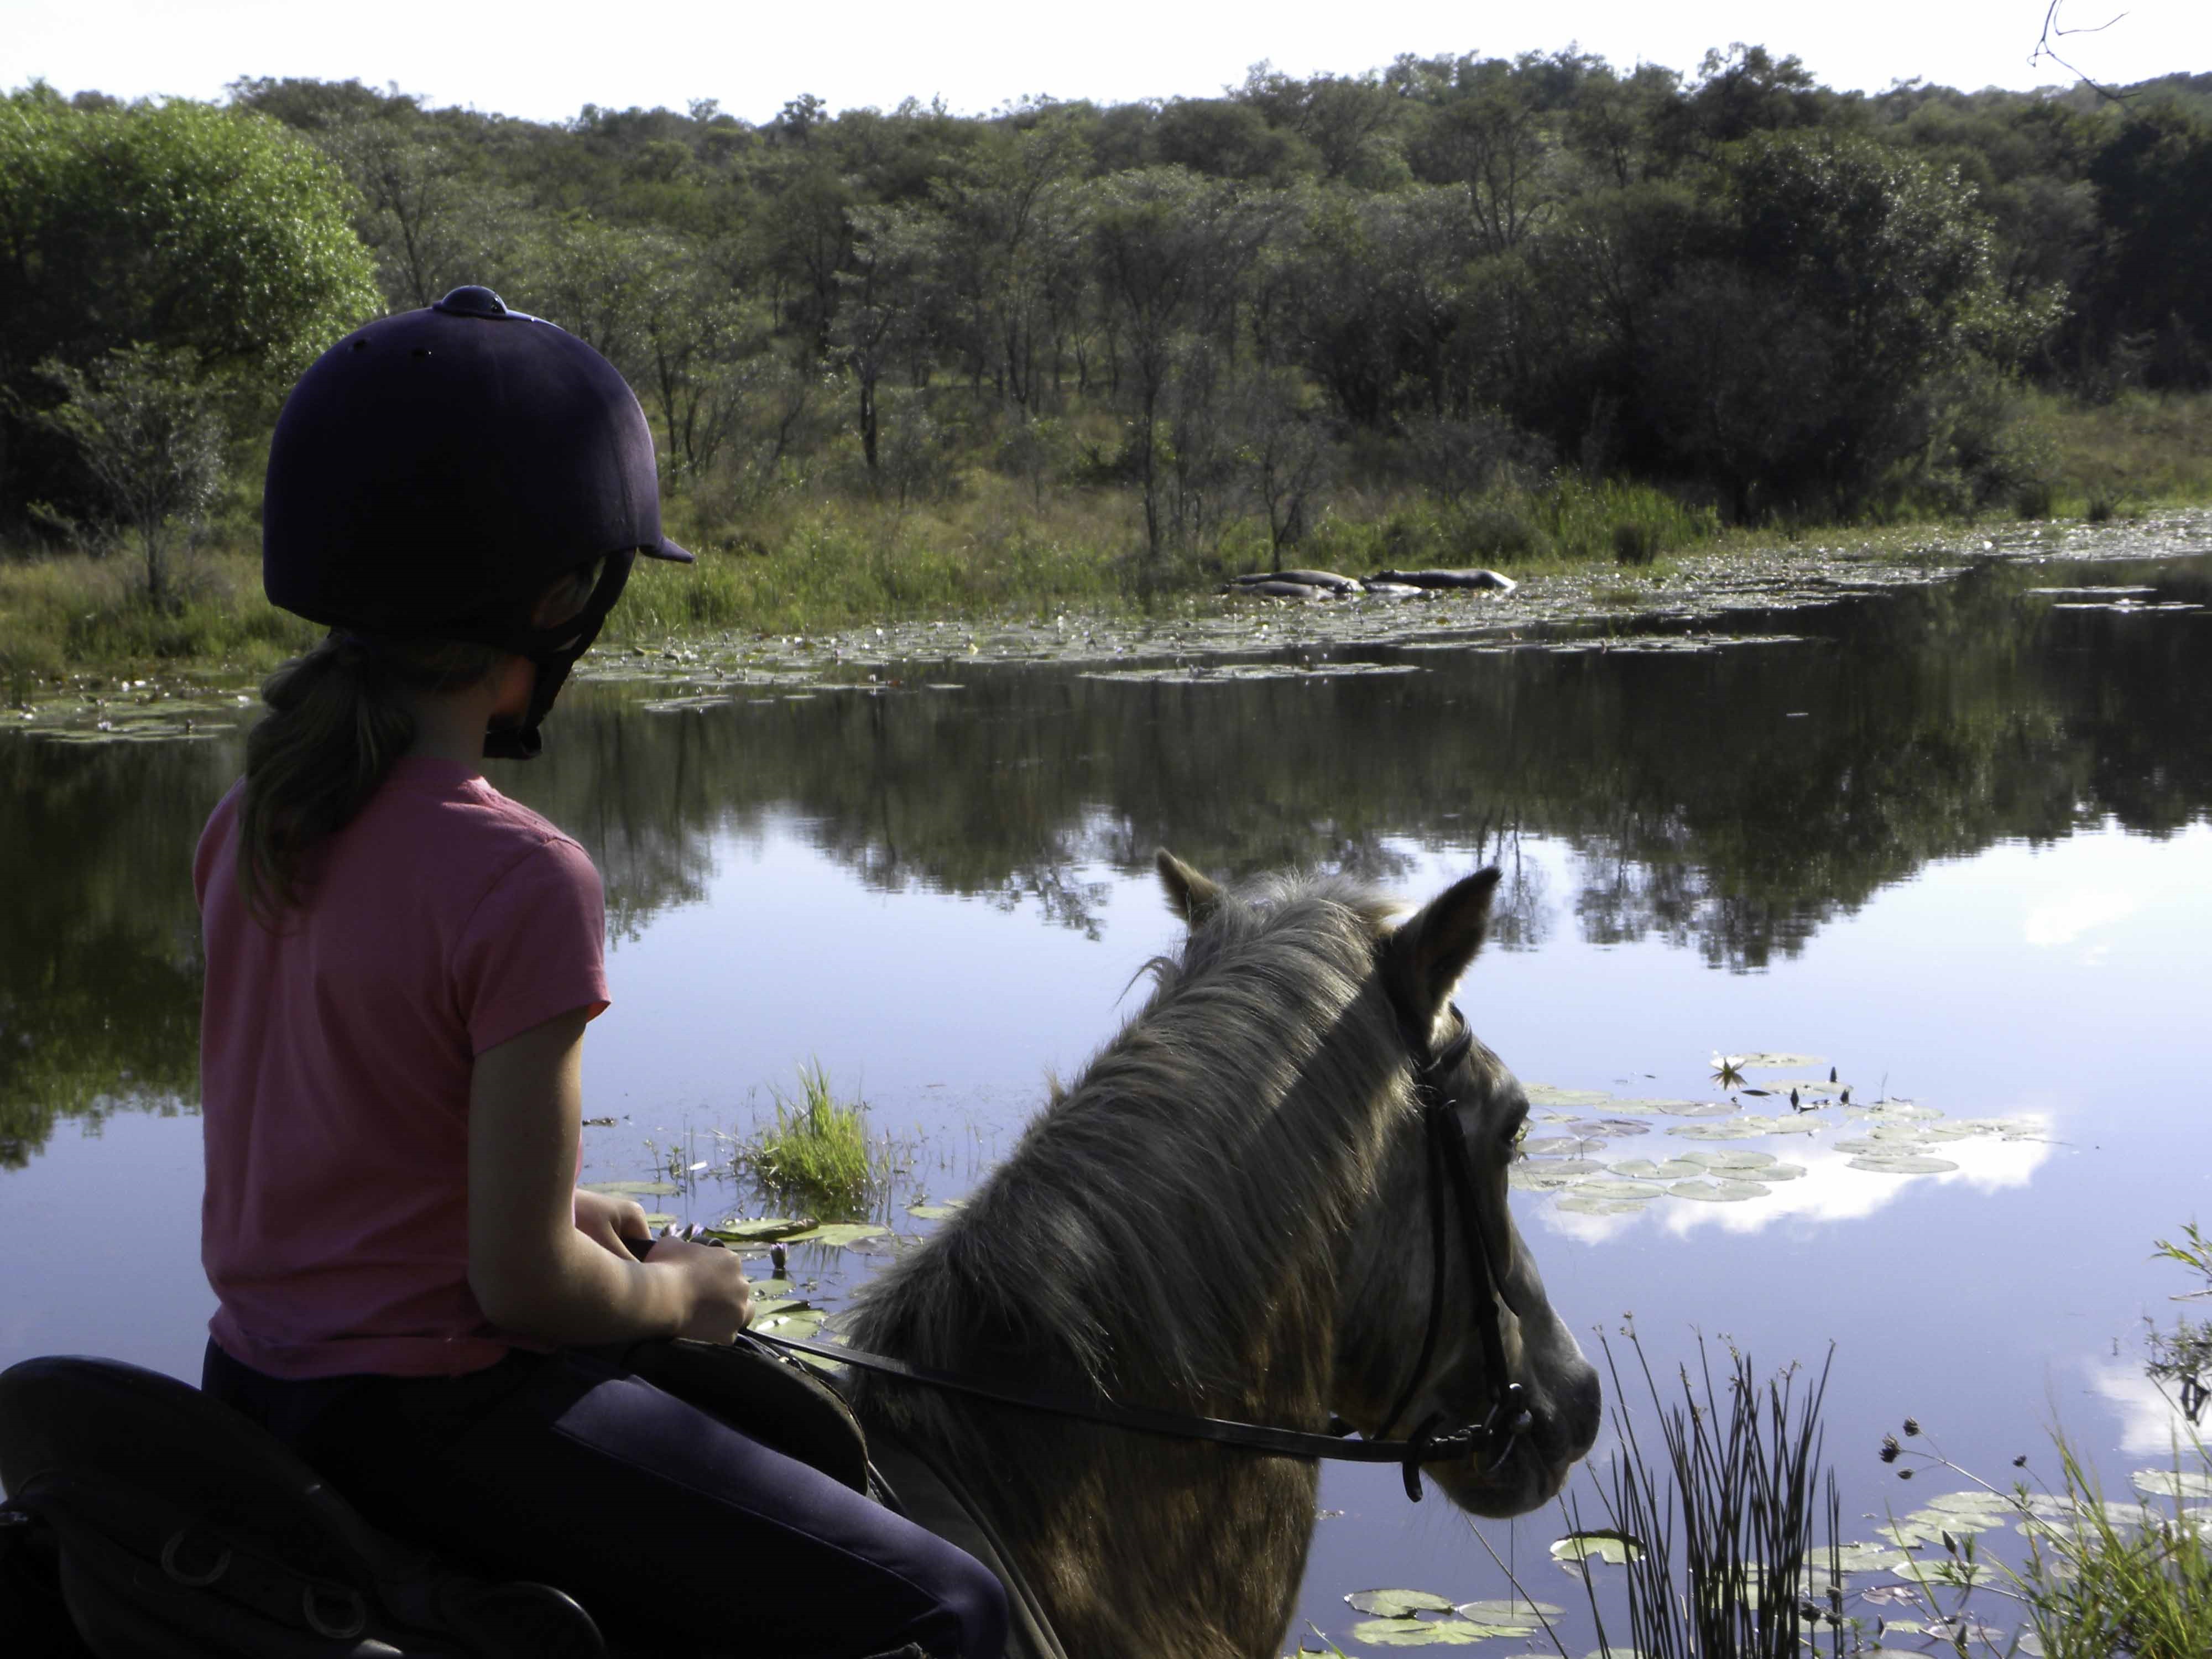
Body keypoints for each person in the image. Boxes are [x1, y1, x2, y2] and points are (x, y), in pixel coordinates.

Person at [193, 286, 1009, 1659]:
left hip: (255, 1382)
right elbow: (522, 1293)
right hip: (436, 1418)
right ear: (560, 599)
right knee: (952, 1605)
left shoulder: (257, 815)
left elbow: (327, 1136)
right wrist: (682, 1295)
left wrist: (566, 1198)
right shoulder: (522, 874)